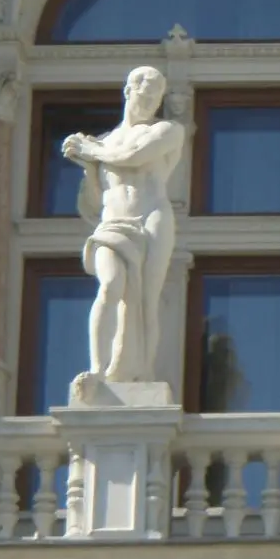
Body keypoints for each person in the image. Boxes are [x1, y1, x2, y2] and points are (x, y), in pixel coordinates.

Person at [62, 65, 185, 393]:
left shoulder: (168, 131)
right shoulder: (106, 142)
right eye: (144, 95)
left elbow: (134, 156)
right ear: (128, 91)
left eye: (155, 98)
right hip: (112, 221)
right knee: (111, 285)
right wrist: (89, 168)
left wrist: (89, 151)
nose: (148, 103)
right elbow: (93, 201)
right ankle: (98, 370)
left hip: (152, 218)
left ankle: (141, 374)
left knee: (146, 300)